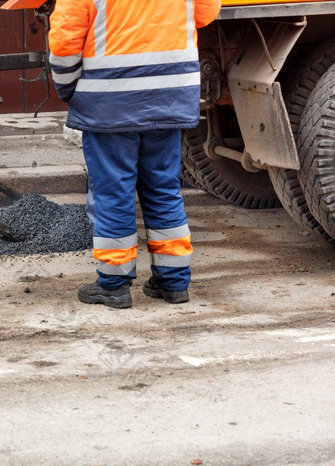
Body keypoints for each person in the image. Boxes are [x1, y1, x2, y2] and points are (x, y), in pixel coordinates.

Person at [48, 0, 221, 308]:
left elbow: (64, 40)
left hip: (110, 103)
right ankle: (173, 282)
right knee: (163, 188)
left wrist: (68, 90)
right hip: (168, 95)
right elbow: (206, 13)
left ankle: (114, 285)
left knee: (114, 192)